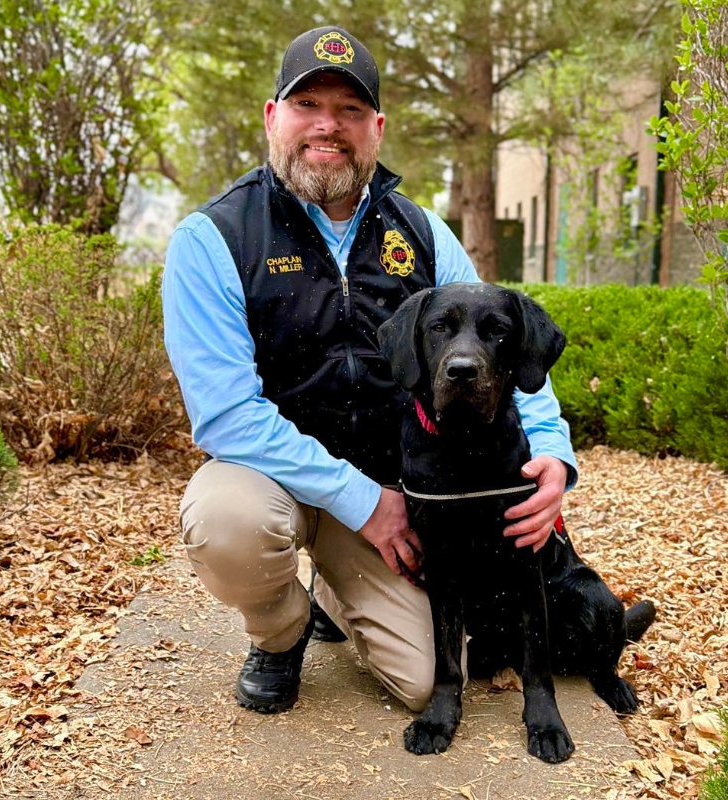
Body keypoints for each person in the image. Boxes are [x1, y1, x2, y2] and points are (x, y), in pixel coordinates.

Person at [161, 25, 578, 715]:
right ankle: (280, 632)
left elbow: (502, 342)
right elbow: (225, 414)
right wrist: (362, 502)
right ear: (273, 117)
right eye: (308, 104)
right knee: (225, 520)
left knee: (426, 682)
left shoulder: (419, 231)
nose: (329, 126)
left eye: (350, 110)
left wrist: (553, 456)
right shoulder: (213, 239)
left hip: (399, 488)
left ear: (377, 128)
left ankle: (337, 587)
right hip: (279, 484)